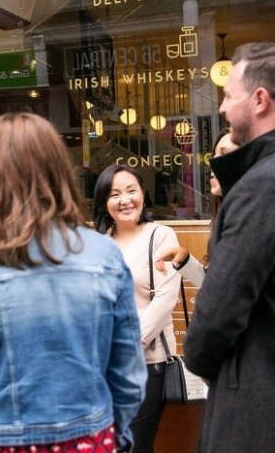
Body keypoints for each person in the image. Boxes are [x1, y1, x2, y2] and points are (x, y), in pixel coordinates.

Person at [0, 113, 146, 453]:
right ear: (59, 171)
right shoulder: (104, 254)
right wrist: (112, 433)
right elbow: (129, 373)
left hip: (1, 439)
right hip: (90, 436)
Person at [184, 42, 275, 452]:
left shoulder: (261, 187)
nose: (221, 108)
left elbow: (219, 312)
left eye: (227, 95)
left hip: (256, 407)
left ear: (259, 100)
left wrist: (200, 361)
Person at [93, 163, 181, 453]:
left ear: (144, 194)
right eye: (115, 193)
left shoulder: (161, 236)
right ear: (105, 203)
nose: (125, 200)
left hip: (145, 362)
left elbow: (165, 299)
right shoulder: (99, 244)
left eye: (131, 190)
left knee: (133, 446)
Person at [155, 130, 238, 286]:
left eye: (225, 154)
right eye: (214, 155)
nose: (213, 162)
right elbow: (215, 286)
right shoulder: (226, 218)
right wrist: (184, 259)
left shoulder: (262, 222)